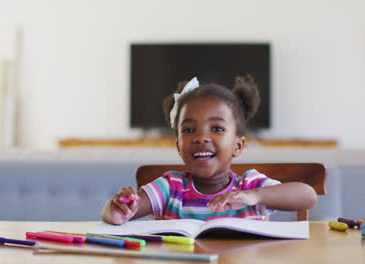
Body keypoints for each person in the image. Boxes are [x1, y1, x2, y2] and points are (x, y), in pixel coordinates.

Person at [102, 75, 317, 225]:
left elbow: (308, 196)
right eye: (188, 129)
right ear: (178, 146)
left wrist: (256, 196)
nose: (201, 137)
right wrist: (116, 210)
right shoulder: (169, 188)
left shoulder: (249, 186)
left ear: (238, 145)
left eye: (216, 128)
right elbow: (115, 215)